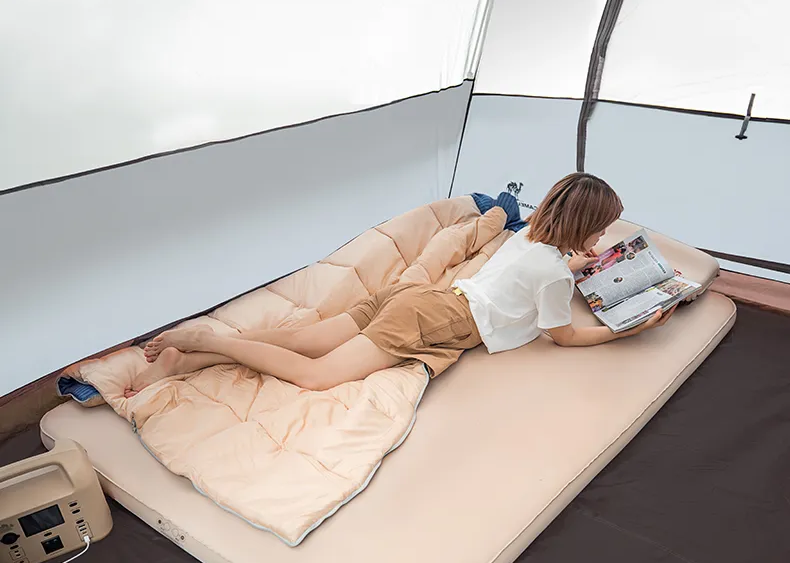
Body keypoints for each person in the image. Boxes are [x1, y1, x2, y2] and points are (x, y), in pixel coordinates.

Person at [124, 172, 675, 398]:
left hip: (421, 298)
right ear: (581, 227)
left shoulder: (530, 237)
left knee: (305, 340)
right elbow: (564, 336)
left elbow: (536, 273)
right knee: (317, 375)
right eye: (600, 230)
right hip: (437, 319)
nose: (603, 239)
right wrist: (625, 331)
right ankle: (207, 340)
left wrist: (578, 265)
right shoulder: (552, 271)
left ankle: (186, 360)